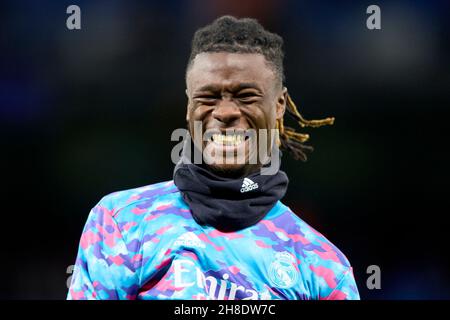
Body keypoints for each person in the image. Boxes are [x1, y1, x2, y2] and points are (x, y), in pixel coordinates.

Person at [67, 15, 360, 300]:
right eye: (208, 97)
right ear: (188, 105)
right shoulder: (121, 222)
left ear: (279, 105)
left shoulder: (323, 268)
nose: (225, 112)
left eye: (246, 96)